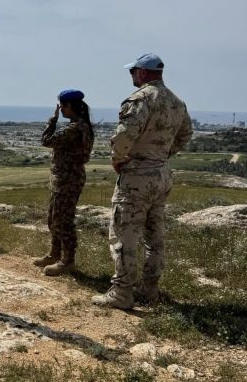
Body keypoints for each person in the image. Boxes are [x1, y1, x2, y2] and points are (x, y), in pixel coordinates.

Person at [92, 53, 193, 309]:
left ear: (144, 73)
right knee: (154, 235)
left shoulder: (140, 99)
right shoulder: (177, 102)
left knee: (124, 234)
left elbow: (125, 134)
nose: (132, 76)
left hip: (137, 176)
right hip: (161, 174)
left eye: (133, 72)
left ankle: (122, 292)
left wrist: (118, 159)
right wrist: (162, 155)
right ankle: (150, 289)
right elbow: (185, 134)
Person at [34, 89, 94, 276]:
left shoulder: (74, 129)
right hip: (65, 178)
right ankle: (55, 254)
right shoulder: (80, 126)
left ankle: (67, 261)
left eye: (62, 106)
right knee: (53, 219)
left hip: (68, 179)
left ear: (68, 106)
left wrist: (52, 121)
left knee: (64, 221)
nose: (61, 109)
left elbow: (46, 140)